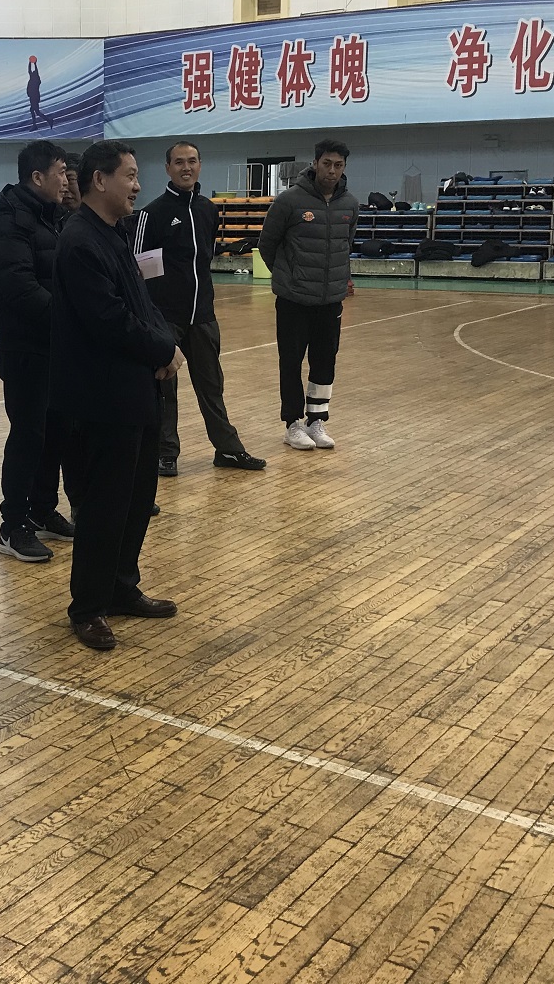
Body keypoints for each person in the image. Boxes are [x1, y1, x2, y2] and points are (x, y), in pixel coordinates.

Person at [51, 141, 184, 651]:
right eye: (129, 176)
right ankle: (88, 607)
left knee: (136, 500)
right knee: (104, 506)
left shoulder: (115, 233)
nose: (137, 185)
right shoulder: (80, 242)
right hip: (100, 399)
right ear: (99, 180)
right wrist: (163, 349)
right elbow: (109, 320)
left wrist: (165, 344)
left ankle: (121, 587)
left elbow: (141, 306)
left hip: (135, 392)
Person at [132, 142, 265, 476]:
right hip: (165, 318)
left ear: (200, 165)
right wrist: (149, 316)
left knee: (211, 386)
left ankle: (227, 449)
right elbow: (136, 268)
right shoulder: (152, 213)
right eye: (179, 162)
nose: (186, 168)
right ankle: (165, 453)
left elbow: (202, 255)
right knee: (165, 389)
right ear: (167, 168)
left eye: (192, 161)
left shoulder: (208, 210)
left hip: (203, 316)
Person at [0, 139, 75, 563]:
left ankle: (42, 508)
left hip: (53, 343)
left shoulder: (50, 215)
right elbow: (18, 285)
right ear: (37, 177)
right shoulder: (10, 218)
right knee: (28, 432)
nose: (66, 181)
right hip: (24, 344)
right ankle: (13, 523)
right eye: (60, 173)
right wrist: (68, 320)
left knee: (55, 429)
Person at [258, 137, 359, 451]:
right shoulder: (289, 201)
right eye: (326, 163)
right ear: (315, 163)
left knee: (324, 362)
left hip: (330, 301)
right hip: (294, 300)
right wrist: (288, 278)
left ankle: (316, 420)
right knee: (290, 363)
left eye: (338, 165)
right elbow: (267, 245)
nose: (332, 171)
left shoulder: (350, 204)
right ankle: (292, 424)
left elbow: (345, 245)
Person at [27, 58, 55, 130]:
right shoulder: (33, 79)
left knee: (36, 111)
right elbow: (29, 71)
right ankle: (35, 125)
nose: (32, 72)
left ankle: (48, 120)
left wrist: (34, 63)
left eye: (34, 72)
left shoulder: (36, 79)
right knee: (33, 110)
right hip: (33, 97)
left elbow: (33, 71)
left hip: (34, 97)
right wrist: (30, 63)